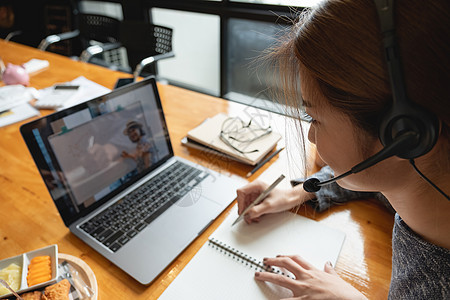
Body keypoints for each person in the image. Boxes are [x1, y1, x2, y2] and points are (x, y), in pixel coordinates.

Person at [236, 0, 450, 299]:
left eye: (315, 119)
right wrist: (305, 191)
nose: (310, 136)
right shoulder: (428, 189)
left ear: (403, 134)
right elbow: (385, 174)